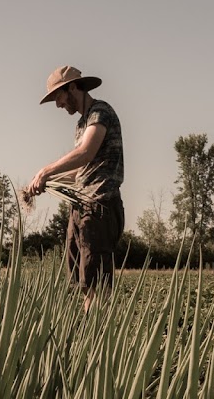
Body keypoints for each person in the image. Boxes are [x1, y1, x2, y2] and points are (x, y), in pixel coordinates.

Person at [25, 65, 125, 312]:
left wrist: (46, 170)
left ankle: (98, 337)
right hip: (81, 206)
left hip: (100, 204)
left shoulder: (99, 112)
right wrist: (49, 182)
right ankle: (85, 333)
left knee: (97, 283)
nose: (58, 105)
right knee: (83, 281)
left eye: (58, 97)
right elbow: (82, 171)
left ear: (72, 88)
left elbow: (85, 152)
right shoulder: (81, 124)